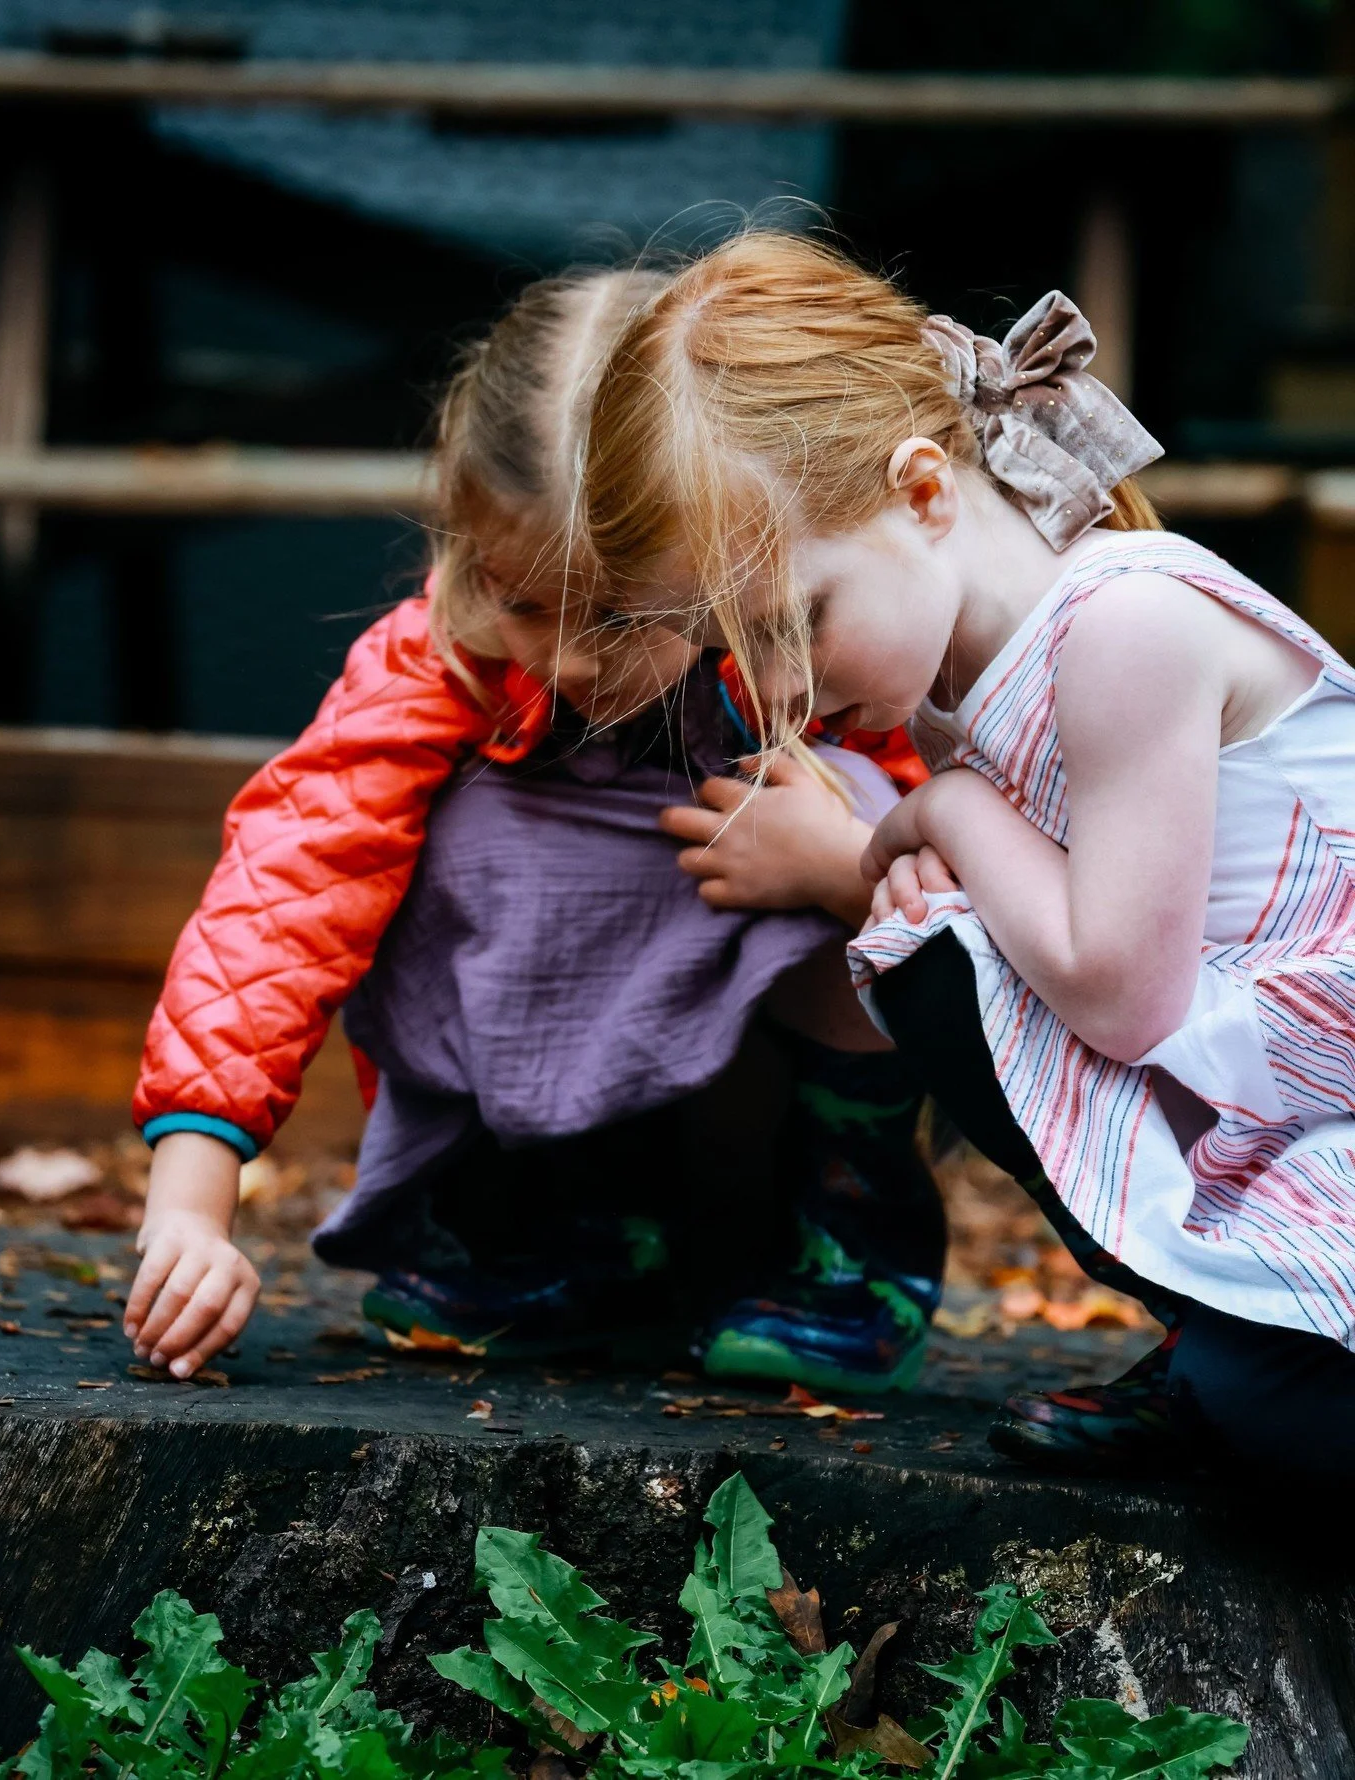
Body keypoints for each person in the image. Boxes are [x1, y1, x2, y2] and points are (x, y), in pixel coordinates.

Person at [579, 230, 1355, 1481]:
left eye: (795, 621)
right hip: (1275, 1105)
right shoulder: (961, 679)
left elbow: (1123, 989)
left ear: (925, 490)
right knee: (929, 954)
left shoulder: (1122, 626)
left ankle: (1241, 1352)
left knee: (1277, 1415)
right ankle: (1219, 1330)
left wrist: (938, 818)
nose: (778, 687)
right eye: (734, 649)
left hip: (1323, 1093)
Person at [124, 267, 946, 1395]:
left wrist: (840, 866)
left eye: (615, 612)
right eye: (520, 597)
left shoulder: (805, 663)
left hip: (744, 1122)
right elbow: (286, 883)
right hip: (533, 1121)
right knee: (466, 836)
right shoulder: (443, 660)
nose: (563, 660)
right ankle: (564, 1239)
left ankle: (850, 1253)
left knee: (845, 796)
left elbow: (947, 874)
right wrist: (192, 1199)